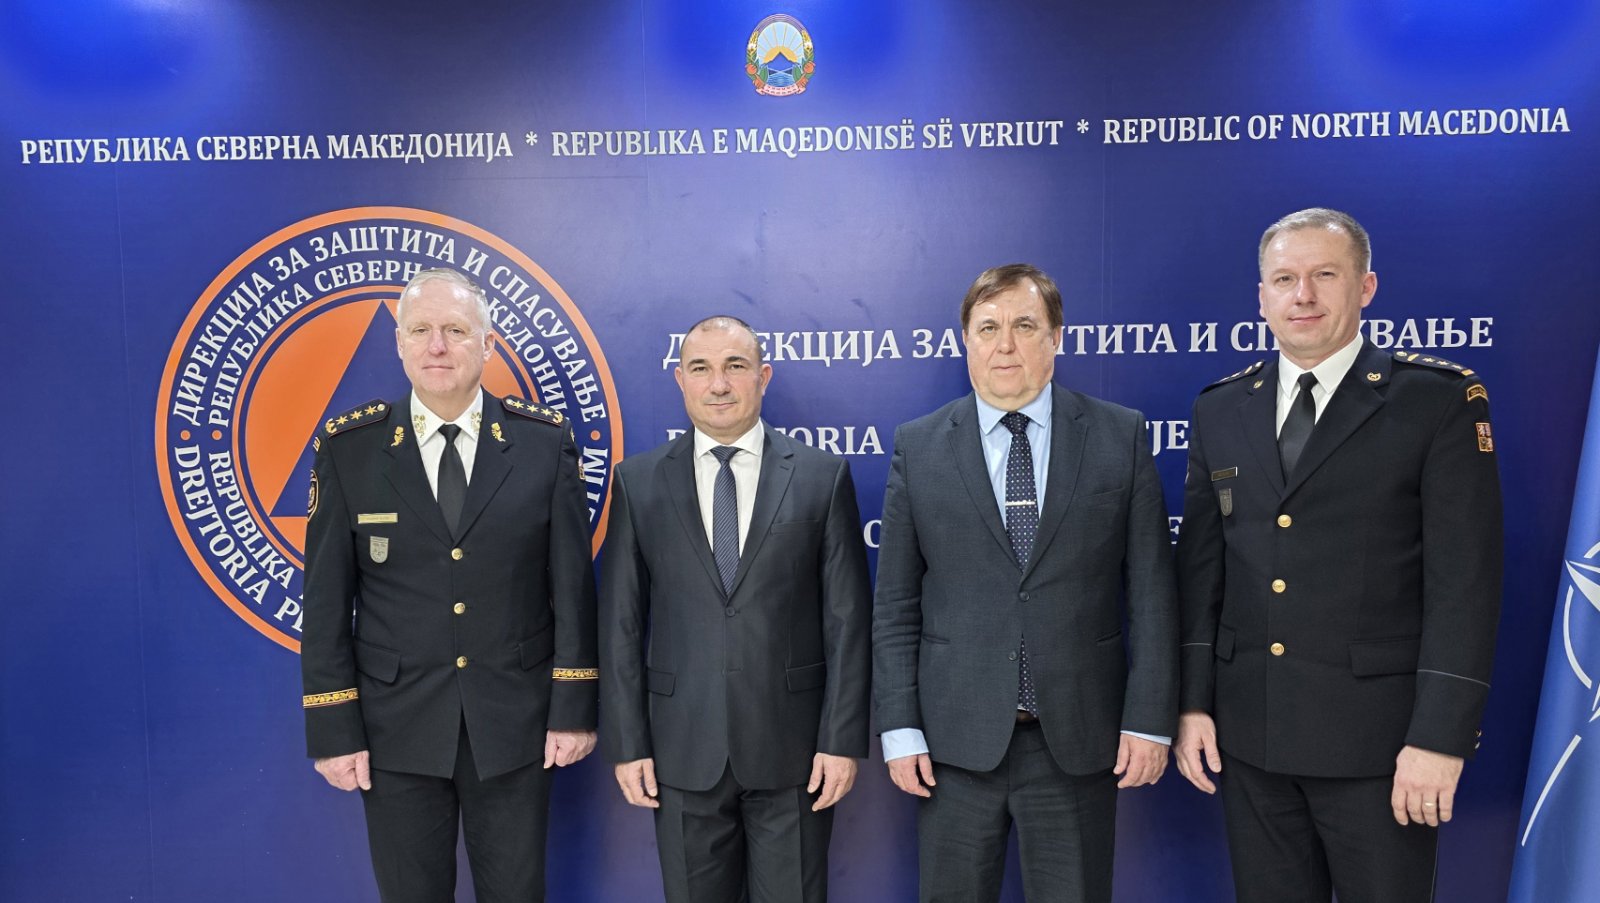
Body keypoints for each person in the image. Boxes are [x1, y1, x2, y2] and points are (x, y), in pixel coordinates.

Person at [1173, 208, 1503, 902]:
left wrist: (1439, 738)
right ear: (1261, 296)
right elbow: (1203, 574)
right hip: (1251, 739)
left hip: (1381, 749)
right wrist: (1193, 703)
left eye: (1325, 275)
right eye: (1284, 279)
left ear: (1366, 287)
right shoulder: (1221, 408)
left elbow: (1465, 585)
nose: (1303, 295)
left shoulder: (1435, 401)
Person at [872, 264, 1179, 902]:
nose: (1005, 344)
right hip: (953, 745)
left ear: (1056, 336)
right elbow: (896, 605)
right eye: (988, 328)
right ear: (966, 340)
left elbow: (1152, 595)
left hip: (1079, 739)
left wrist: (1149, 719)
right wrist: (899, 727)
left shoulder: (1119, 435)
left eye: (1024, 325)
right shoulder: (919, 447)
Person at [301, 267, 598, 903]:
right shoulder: (350, 448)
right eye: (420, 331)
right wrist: (333, 727)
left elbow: (574, 590)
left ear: (488, 344)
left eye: (456, 331)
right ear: (399, 343)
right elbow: (325, 602)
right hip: (394, 726)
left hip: (515, 723)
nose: (437, 346)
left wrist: (573, 708)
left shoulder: (543, 444)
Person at [600, 315, 872, 903]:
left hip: (795, 753)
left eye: (735, 366)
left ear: (763, 377)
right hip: (680, 752)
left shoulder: (821, 477)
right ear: (680, 380)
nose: (718, 383)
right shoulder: (638, 482)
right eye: (701, 368)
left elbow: (848, 622)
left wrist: (841, 738)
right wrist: (628, 743)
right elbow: (621, 625)